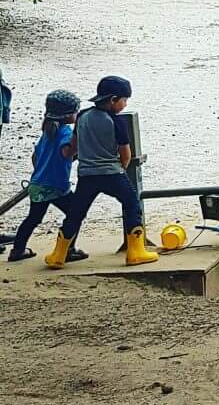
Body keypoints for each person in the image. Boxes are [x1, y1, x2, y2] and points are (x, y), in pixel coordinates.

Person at [45, 75, 158, 268]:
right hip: (112, 173)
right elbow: (126, 155)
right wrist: (120, 169)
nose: (125, 104)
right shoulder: (116, 122)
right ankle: (135, 252)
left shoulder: (82, 116)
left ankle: (58, 255)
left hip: (86, 175)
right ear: (113, 99)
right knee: (132, 204)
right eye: (124, 100)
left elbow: (74, 146)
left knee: (75, 213)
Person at [9, 91, 87, 263]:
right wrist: (79, 143)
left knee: (33, 218)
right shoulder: (66, 132)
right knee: (76, 214)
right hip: (56, 186)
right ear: (68, 115)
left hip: (37, 184)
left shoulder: (47, 132)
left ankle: (17, 250)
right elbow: (66, 152)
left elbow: (35, 157)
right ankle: (68, 249)